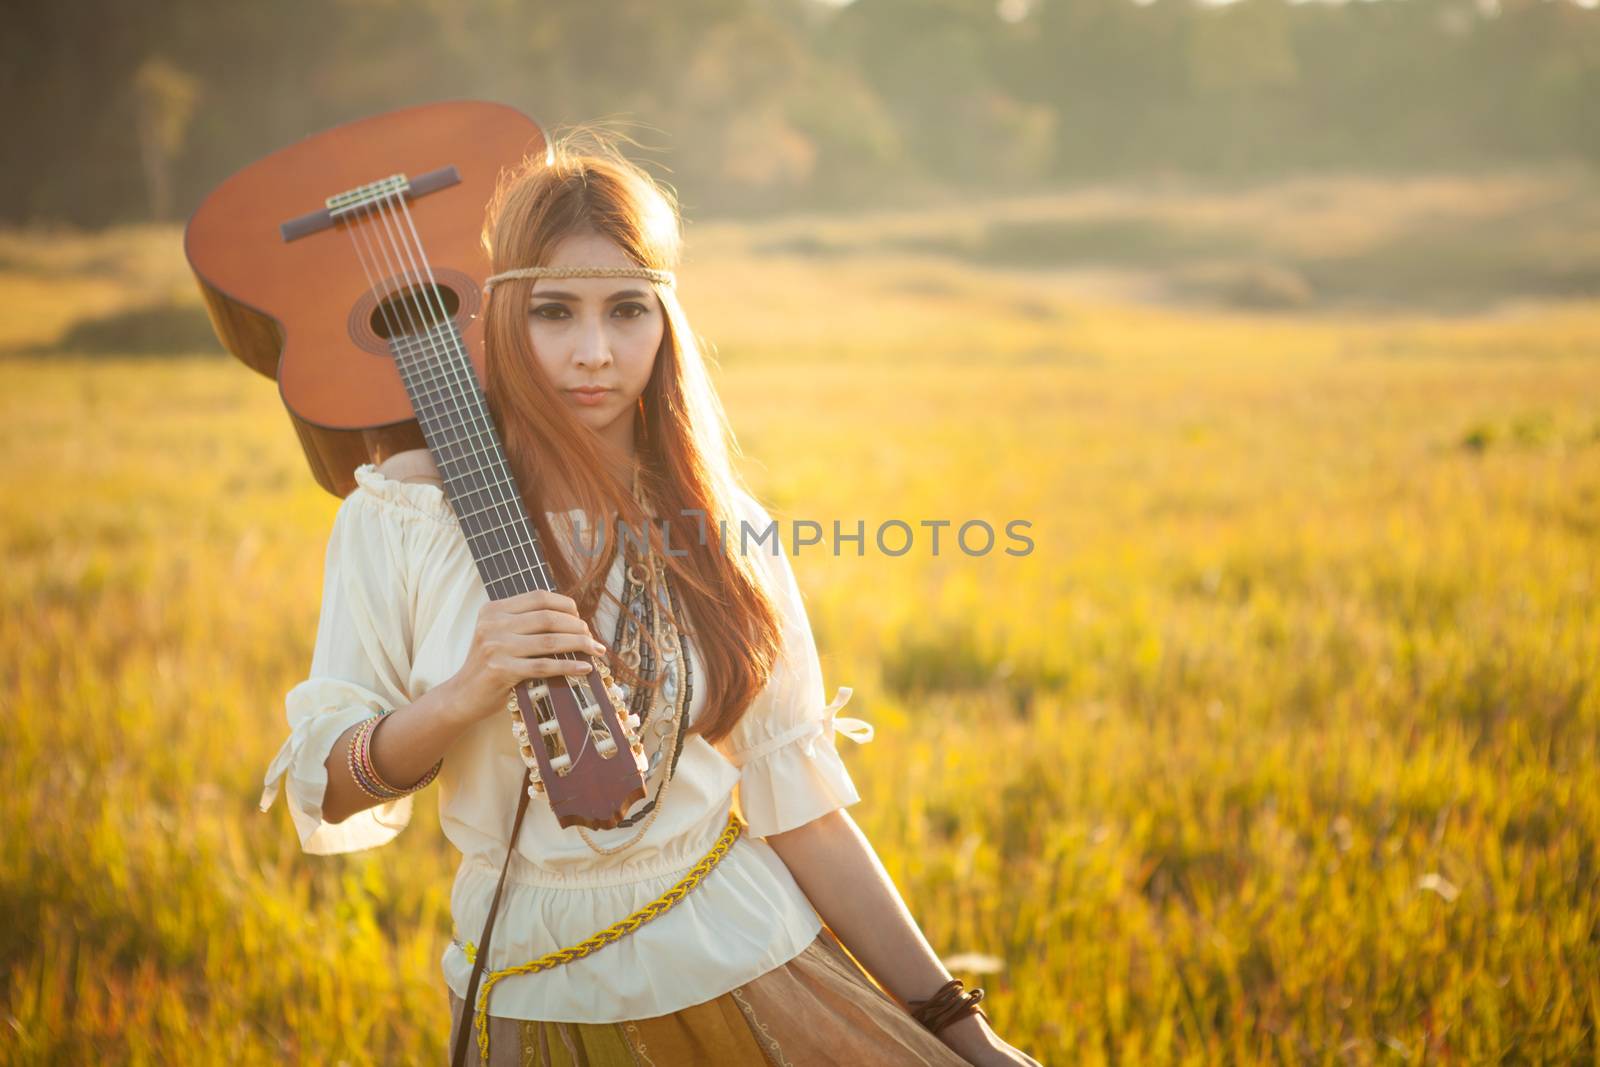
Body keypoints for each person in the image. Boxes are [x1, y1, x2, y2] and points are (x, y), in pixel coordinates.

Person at [259, 127, 1042, 1067]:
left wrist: (966, 1028)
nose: (594, 352)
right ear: (500, 317)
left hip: (754, 958)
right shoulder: (403, 512)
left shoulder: (722, 521)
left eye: (626, 310)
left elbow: (803, 810)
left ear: (666, 321)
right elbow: (330, 784)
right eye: (555, 312)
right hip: (530, 988)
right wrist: (462, 693)